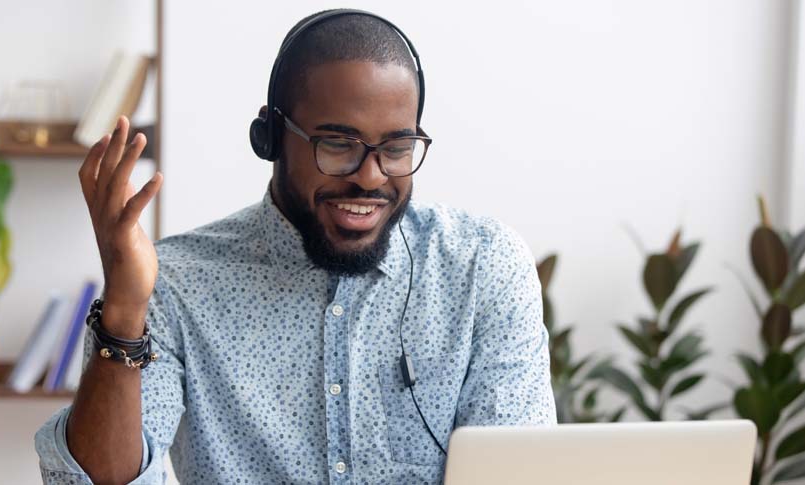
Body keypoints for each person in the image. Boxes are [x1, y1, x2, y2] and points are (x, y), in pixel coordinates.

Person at [35, 9, 556, 485]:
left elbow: (520, 475)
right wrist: (125, 310)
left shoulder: (482, 266)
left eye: (397, 148)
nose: (370, 178)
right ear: (270, 137)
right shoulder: (175, 285)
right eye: (338, 145)